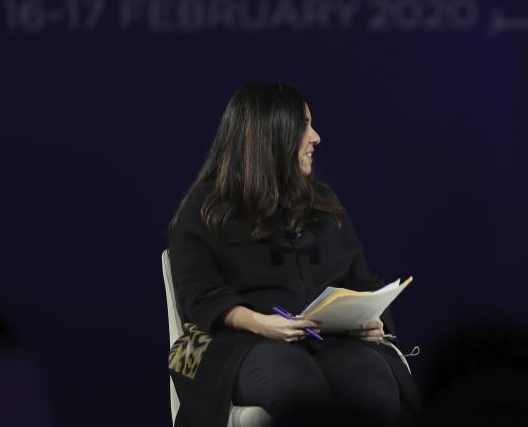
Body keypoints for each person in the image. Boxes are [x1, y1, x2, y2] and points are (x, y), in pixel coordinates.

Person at [167, 83, 418, 427]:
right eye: (304, 126)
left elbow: (361, 280)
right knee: (296, 382)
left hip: (324, 340)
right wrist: (262, 324)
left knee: (371, 384)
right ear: (271, 136)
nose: (316, 137)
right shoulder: (207, 208)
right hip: (230, 342)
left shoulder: (322, 203)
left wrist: (372, 319)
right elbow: (199, 296)